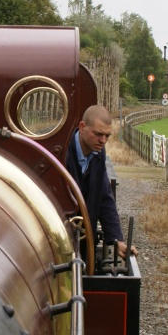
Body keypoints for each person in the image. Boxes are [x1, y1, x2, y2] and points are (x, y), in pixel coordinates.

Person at [64, 105, 137, 260]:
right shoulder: (62, 152)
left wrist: (116, 240)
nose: (103, 141)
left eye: (107, 136)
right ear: (82, 127)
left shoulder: (98, 153)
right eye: (98, 134)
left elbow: (104, 195)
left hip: (84, 240)